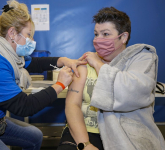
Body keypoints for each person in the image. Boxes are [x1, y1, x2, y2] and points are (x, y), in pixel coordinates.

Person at [0, 0, 87, 150]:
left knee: (35, 136)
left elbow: (34, 63)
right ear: (12, 33)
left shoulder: (7, 54)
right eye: (29, 35)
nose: (32, 41)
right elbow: (24, 107)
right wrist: (60, 84)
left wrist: (63, 60)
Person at [57, 7, 165, 150]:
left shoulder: (139, 59)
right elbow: (72, 105)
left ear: (123, 37)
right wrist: (86, 144)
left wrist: (98, 63)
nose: (98, 40)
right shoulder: (84, 64)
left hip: (121, 133)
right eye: (96, 34)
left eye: (106, 34)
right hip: (83, 132)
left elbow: (132, 91)